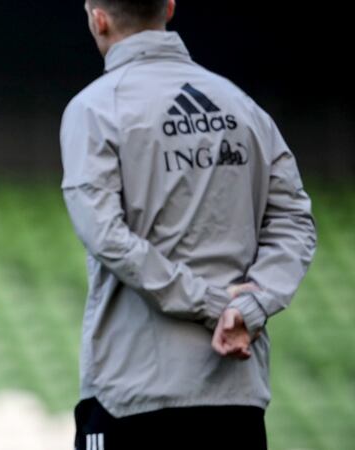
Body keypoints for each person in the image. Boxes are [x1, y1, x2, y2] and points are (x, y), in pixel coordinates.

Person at [59, 1, 317, 448]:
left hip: (133, 393)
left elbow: (106, 235)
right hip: (235, 393)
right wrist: (250, 305)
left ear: (97, 18)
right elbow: (295, 220)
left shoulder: (94, 109)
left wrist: (208, 302)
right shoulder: (241, 105)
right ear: (170, 9)